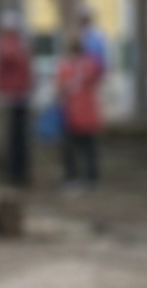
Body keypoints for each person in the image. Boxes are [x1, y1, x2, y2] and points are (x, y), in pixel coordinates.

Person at [56, 35, 104, 191]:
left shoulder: (66, 67)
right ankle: (92, 178)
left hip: (72, 115)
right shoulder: (91, 65)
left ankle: (72, 178)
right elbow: (99, 77)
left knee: (71, 149)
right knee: (90, 148)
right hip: (89, 114)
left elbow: (60, 89)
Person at [0, 11, 34, 187]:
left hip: (19, 94)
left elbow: (25, 68)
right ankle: (15, 172)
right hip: (13, 95)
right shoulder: (10, 44)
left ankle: (19, 172)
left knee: (19, 137)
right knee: (15, 137)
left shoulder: (16, 43)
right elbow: (6, 60)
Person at [78, 5, 108, 74]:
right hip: (87, 67)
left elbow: (102, 53)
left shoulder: (96, 33)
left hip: (95, 66)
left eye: (84, 19)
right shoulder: (82, 34)